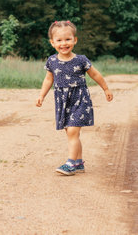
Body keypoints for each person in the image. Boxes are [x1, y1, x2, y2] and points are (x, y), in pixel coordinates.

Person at [36, 20, 113, 176]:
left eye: (68, 39)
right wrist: (41, 95)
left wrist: (105, 88)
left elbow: (95, 74)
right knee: (71, 133)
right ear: (52, 43)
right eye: (59, 40)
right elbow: (48, 79)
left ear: (75, 40)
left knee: (72, 132)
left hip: (80, 99)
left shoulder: (81, 60)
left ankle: (70, 163)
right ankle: (78, 162)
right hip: (62, 101)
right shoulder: (52, 61)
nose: (64, 43)